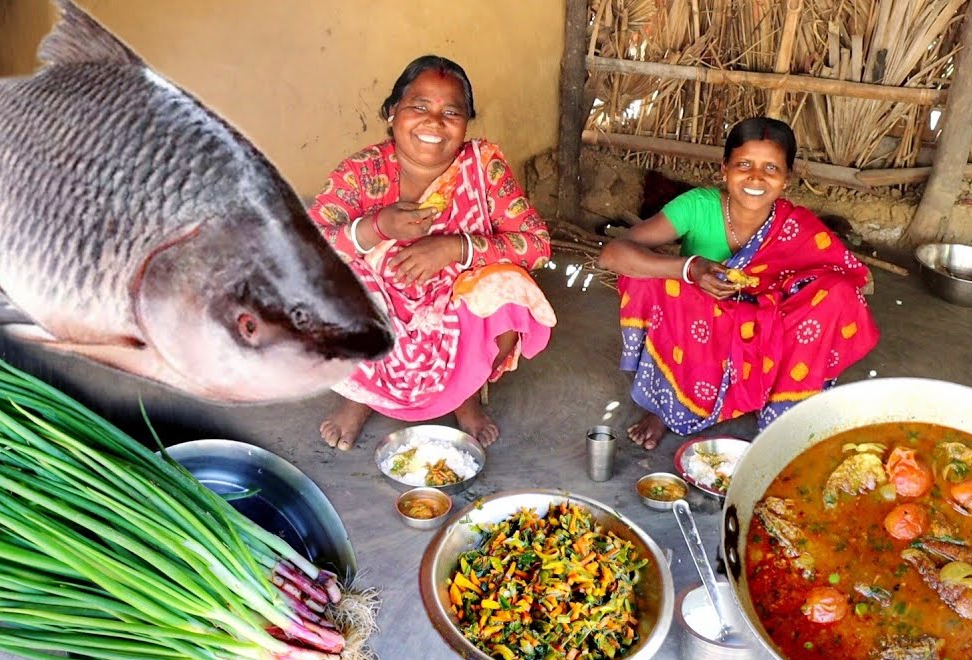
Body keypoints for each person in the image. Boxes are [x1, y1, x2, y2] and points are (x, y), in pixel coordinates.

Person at [308, 55, 555, 451]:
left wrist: (455, 247)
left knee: (510, 287)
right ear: (393, 112)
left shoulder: (482, 168)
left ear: (466, 123)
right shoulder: (362, 172)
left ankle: (465, 395)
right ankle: (359, 396)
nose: (435, 122)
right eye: (419, 106)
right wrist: (376, 229)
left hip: (453, 300)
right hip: (379, 305)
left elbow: (537, 244)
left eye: (451, 112)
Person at [597, 117, 879, 450]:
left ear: (786, 179)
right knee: (647, 276)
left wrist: (775, 297)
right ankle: (666, 405)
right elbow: (613, 255)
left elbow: (851, 279)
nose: (756, 177)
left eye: (771, 168)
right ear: (725, 169)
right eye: (744, 164)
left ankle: (786, 406)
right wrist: (691, 269)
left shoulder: (794, 225)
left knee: (838, 294)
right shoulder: (698, 207)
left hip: (766, 327)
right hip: (701, 323)